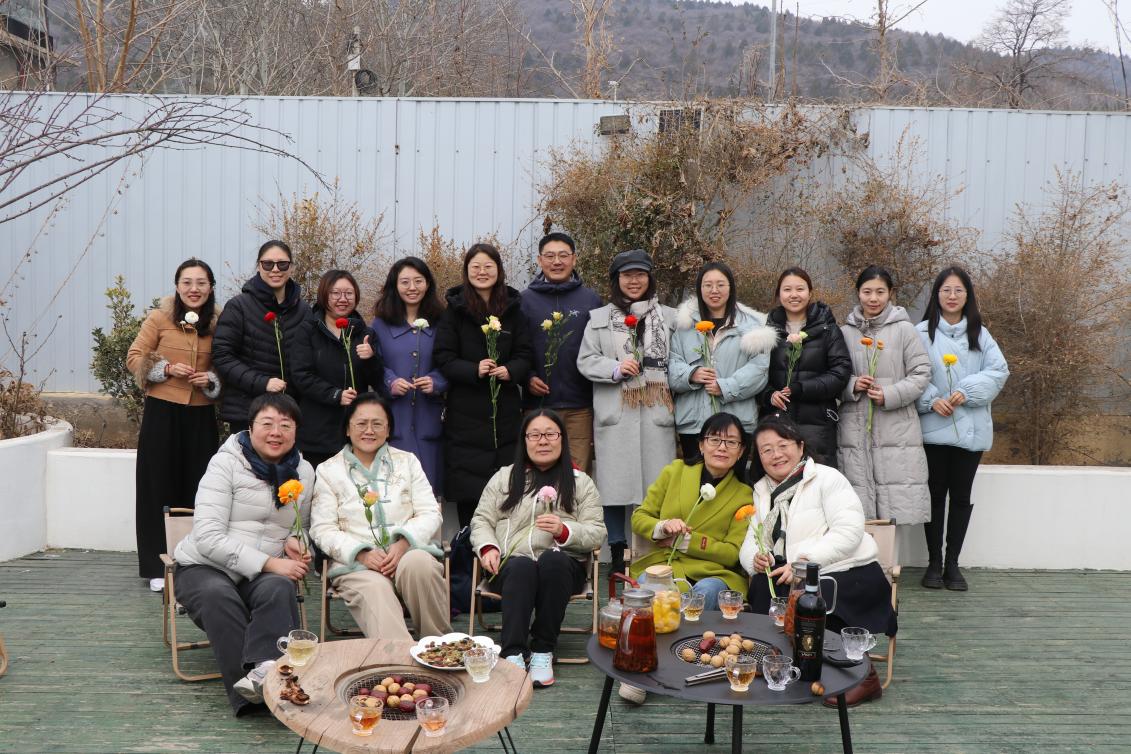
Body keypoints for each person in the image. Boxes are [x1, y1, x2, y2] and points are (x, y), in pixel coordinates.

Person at [172, 393, 314, 716]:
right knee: (217, 595)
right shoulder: (226, 463)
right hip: (204, 566)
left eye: (285, 425)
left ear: (296, 432)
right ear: (250, 428)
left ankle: (266, 672)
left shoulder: (304, 471)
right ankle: (255, 699)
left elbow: (302, 526)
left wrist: (297, 541)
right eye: (267, 424)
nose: (276, 432)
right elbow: (207, 537)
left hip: (262, 573)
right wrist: (270, 562)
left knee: (278, 588)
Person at [741, 413, 896, 708]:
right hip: (791, 574)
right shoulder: (762, 491)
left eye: (783, 445)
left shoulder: (827, 478)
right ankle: (788, 668)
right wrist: (755, 558)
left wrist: (805, 564)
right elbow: (752, 538)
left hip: (845, 569)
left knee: (817, 597)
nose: (776, 455)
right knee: (763, 585)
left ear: (800, 446)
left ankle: (864, 678)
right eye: (766, 450)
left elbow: (849, 531)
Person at [620, 411, 754, 705]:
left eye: (731, 442)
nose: (722, 447)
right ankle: (646, 667)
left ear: (741, 450)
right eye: (715, 439)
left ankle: (647, 668)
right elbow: (640, 517)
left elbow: (732, 551)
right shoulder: (675, 472)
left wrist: (690, 542)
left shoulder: (744, 495)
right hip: (664, 565)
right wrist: (662, 527)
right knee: (652, 593)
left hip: (714, 573)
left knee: (704, 592)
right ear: (701, 445)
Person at [471, 410, 606, 688]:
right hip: (509, 566)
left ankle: (543, 649)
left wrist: (564, 531)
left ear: (562, 439)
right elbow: (481, 520)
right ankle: (513, 653)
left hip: (562, 570)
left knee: (552, 561)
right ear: (525, 440)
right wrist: (487, 547)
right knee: (521, 565)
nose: (542, 441)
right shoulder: (504, 478)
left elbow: (597, 532)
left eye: (550, 434)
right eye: (534, 435)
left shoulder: (580, 482)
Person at [310, 393, 451, 640]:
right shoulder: (328, 470)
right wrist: (362, 554)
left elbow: (430, 511)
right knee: (375, 587)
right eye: (361, 423)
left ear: (388, 430)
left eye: (377, 424)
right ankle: (398, 658)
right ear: (347, 429)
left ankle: (438, 646)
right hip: (357, 565)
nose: (369, 430)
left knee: (420, 565)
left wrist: (403, 543)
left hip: (408, 552)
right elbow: (322, 529)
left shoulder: (407, 462)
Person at [577, 249, 677, 577]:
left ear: (650, 278)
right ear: (616, 280)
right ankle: (618, 551)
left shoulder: (669, 318)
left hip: (655, 411)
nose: (634, 281)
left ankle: (651, 550)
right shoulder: (599, 318)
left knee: (655, 485)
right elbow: (585, 360)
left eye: (640, 274)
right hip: (616, 411)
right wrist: (616, 368)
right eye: (627, 275)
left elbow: (679, 360)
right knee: (614, 487)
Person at [127, 258, 222, 592]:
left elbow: (227, 363)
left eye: (201, 283)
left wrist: (210, 379)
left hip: (201, 415)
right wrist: (166, 369)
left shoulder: (220, 321)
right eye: (187, 282)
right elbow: (135, 357)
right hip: (162, 412)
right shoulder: (159, 318)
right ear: (177, 286)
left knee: (200, 487)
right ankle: (157, 565)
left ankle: (194, 562)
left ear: (211, 287)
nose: (194, 289)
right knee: (157, 486)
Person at [915, 266, 1009, 591]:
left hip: (971, 431)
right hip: (933, 428)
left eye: (958, 290)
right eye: (946, 290)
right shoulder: (921, 333)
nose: (952, 296)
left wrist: (966, 391)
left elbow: (999, 371)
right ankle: (933, 562)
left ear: (967, 296)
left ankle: (952, 563)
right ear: (936, 295)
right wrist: (931, 400)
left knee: (961, 496)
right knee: (934, 495)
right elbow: (910, 372)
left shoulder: (980, 334)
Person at [434, 243, 533, 527]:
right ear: (466, 271)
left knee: (507, 491)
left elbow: (526, 354)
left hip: (505, 413)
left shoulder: (514, 310)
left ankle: (503, 551)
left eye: (488, 266)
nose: (482, 272)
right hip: (465, 413)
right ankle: (469, 551)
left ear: (499, 270)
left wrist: (510, 371)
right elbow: (443, 357)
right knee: (470, 494)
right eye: (475, 267)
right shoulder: (454, 311)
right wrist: (473, 369)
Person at [837, 266, 931, 525]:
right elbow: (833, 376)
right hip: (854, 429)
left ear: (890, 293)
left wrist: (889, 394)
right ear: (858, 293)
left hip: (896, 430)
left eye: (880, 292)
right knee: (857, 510)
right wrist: (852, 385)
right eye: (867, 292)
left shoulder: (904, 330)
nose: (873, 298)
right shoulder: (844, 332)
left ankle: (891, 553)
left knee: (894, 510)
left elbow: (922, 372)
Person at [669, 261, 777, 459]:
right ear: (699, 289)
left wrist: (725, 387)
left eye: (720, 284)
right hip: (694, 425)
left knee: (733, 478)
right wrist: (691, 374)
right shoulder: (684, 325)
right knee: (696, 477)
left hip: (736, 424)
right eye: (708, 285)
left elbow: (759, 370)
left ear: (731, 287)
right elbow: (672, 364)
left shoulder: (753, 326)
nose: (714, 290)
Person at [520, 232, 602, 471]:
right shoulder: (524, 301)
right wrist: (527, 377)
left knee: (578, 473)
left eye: (563, 255)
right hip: (538, 405)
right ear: (539, 260)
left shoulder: (591, 300)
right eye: (550, 256)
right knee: (537, 470)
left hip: (580, 406)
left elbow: (600, 348)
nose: (557, 261)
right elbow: (517, 347)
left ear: (574, 259)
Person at [212, 240, 313, 434]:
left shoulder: (304, 311)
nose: (275, 269)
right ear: (259, 266)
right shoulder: (239, 306)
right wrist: (263, 383)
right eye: (268, 264)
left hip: (290, 412)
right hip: (248, 412)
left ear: (291, 267)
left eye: (282, 264)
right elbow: (222, 355)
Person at [292, 270, 385, 469]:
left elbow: (378, 381)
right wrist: (335, 395)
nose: (343, 299)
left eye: (349, 293)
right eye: (335, 293)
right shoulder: (307, 330)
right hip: (317, 430)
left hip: (356, 430)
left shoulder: (365, 334)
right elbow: (301, 375)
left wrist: (370, 359)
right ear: (324, 295)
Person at [371, 256, 448, 493]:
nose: (412, 287)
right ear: (394, 285)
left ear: (428, 284)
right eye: (405, 282)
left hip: (430, 420)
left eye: (418, 281)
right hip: (394, 419)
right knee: (392, 492)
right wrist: (390, 381)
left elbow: (451, 361)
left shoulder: (442, 322)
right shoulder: (380, 324)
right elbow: (374, 364)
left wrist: (436, 381)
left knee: (428, 493)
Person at [761, 267, 852, 468]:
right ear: (778, 294)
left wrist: (801, 388)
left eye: (800, 289)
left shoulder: (828, 329)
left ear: (810, 293)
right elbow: (757, 375)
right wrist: (769, 395)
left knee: (816, 478)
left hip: (818, 424)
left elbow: (840, 372)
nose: (794, 295)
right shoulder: (767, 332)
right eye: (787, 289)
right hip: (776, 423)